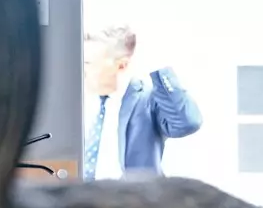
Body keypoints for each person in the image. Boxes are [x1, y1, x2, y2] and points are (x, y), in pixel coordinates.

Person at [81, 25, 202, 180]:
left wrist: (157, 66)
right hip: (79, 200)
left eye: (88, 63)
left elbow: (188, 123)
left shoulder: (147, 100)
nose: (82, 69)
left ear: (121, 65)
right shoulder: (74, 101)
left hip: (132, 200)